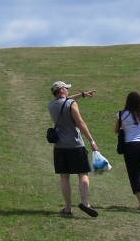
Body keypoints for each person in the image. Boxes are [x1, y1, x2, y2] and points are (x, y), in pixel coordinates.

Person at [47, 81, 99, 217]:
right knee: (83, 174)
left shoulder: (51, 105)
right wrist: (92, 140)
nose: (69, 90)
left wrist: (82, 95)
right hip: (76, 145)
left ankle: (68, 208)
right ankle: (85, 203)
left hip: (60, 147)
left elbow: (66, 101)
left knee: (64, 177)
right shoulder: (71, 104)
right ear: (62, 90)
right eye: (66, 88)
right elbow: (80, 122)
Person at [115, 91, 140, 210]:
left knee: (133, 174)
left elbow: (116, 130)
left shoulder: (121, 114)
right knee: (139, 171)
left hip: (130, 146)